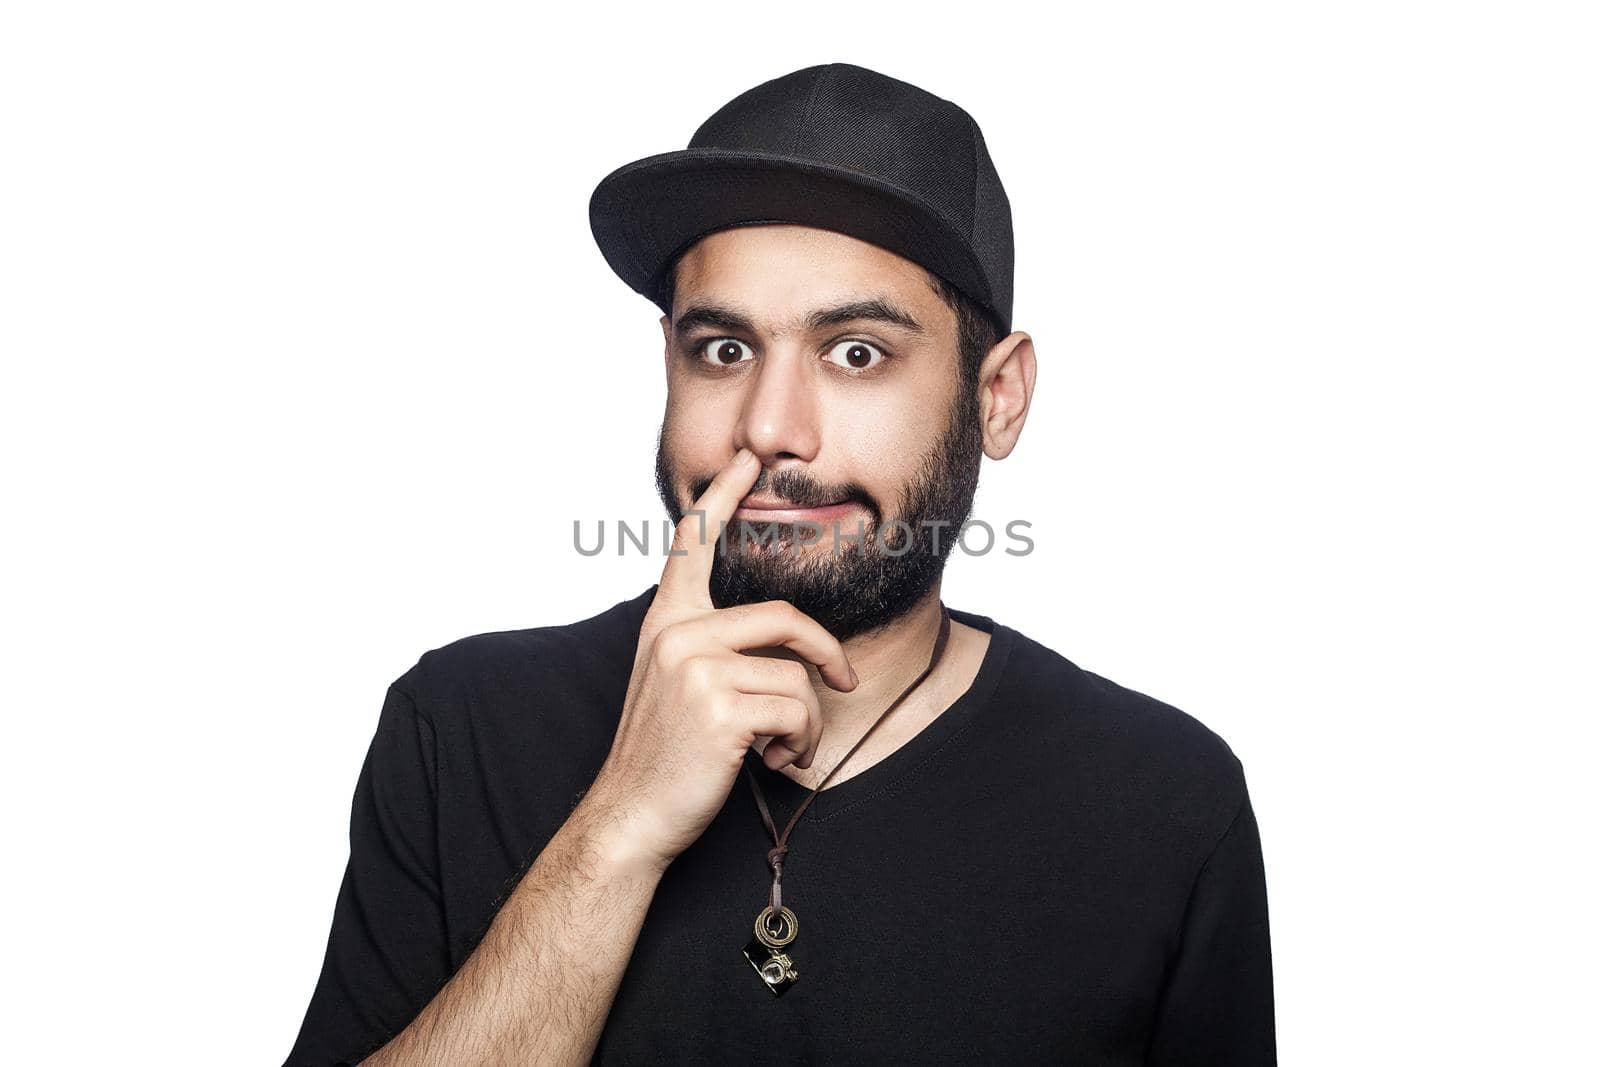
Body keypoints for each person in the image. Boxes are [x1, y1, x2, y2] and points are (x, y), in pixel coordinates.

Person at [283, 62, 1275, 1066]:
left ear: (998, 397)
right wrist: (618, 827)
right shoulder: (462, 723)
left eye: (855, 352)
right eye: (722, 349)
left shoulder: (1159, 797)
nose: (768, 427)